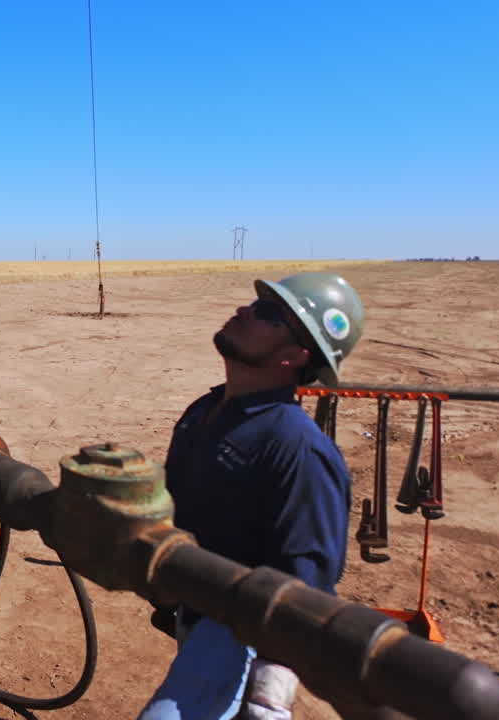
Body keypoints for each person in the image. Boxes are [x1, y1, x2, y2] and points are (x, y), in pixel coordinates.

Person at [137, 272, 365, 720]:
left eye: (268, 314)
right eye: (255, 303)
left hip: (239, 630)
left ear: (295, 356)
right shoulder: (207, 410)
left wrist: (270, 688)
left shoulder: (296, 448)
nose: (245, 310)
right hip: (197, 609)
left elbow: (308, 581)